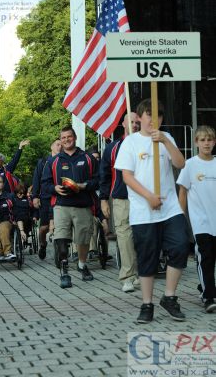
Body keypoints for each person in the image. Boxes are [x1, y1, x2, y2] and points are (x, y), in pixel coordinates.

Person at [115, 98, 189, 323]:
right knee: (147, 257)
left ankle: (169, 297)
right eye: (148, 115)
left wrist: (165, 141)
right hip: (143, 211)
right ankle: (147, 304)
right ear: (139, 117)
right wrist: (148, 196)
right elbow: (126, 176)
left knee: (180, 246)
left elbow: (180, 164)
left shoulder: (167, 138)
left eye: (157, 115)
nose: (152, 119)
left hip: (170, 209)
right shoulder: (131, 142)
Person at [42, 125, 99, 288]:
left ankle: (82, 265)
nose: (66, 140)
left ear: (74, 138)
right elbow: (44, 184)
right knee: (61, 238)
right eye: (63, 138)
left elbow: (98, 180)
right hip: (61, 205)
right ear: (60, 141)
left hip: (83, 205)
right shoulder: (53, 161)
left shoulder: (88, 158)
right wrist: (54, 188)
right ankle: (64, 270)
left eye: (69, 137)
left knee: (83, 240)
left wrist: (83, 186)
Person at [177, 125, 216, 313]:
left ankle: (205, 287)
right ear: (196, 143)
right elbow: (182, 193)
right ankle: (209, 297)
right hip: (201, 222)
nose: (206, 143)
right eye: (202, 140)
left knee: (213, 259)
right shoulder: (190, 165)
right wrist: (180, 217)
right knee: (205, 259)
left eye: (209, 139)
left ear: (214, 142)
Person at [100, 112, 140, 292]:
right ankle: (128, 276)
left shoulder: (148, 144)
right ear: (123, 124)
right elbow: (104, 176)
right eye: (131, 121)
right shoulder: (113, 148)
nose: (135, 124)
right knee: (124, 236)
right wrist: (103, 200)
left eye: (137, 121)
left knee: (143, 236)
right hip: (121, 198)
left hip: (144, 198)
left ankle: (140, 272)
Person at [32, 139, 62, 260]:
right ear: (51, 147)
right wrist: (35, 197)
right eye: (57, 144)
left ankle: (61, 251)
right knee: (44, 227)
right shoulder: (43, 162)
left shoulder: (64, 160)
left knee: (59, 225)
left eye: (61, 145)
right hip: (45, 198)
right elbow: (36, 179)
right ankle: (43, 244)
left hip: (60, 197)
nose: (60, 147)